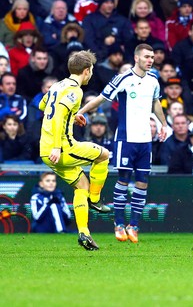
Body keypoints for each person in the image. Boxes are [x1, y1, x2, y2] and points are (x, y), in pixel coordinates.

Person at [76, 44, 167, 244]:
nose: (151, 60)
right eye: (147, 57)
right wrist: (81, 112)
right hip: (126, 138)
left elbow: (155, 102)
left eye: (152, 57)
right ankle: (118, 223)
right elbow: (101, 98)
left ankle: (133, 225)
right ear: (137, 58)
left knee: (143, 181)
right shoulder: (123, 78)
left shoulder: (153, 80)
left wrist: (163, 124)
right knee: (124, 179)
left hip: (145, 139)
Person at [38, 50, 111, 251]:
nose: (92, 74)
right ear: (86, 71)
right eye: (92, 70)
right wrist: (57, 145)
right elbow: (59, 113)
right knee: (104, 155)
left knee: (81, 186)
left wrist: (72, 116)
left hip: (45, 150)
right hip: (62, 148)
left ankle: (84, 234)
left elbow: (43, 105)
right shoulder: (76, 90)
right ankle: (95, 200)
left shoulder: (56, 85)